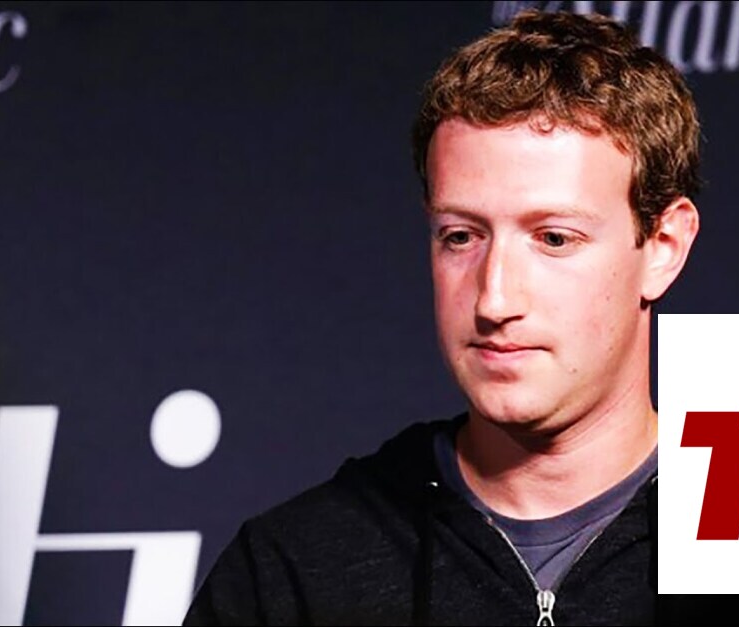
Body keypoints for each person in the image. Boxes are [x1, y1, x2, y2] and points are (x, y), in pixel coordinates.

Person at [185, 9, 699, 625]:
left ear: (663, 247)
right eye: (461, 236)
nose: (494, 300)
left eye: (554, 239)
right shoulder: (293, 569)